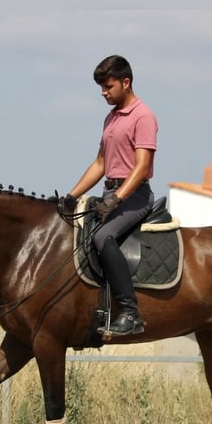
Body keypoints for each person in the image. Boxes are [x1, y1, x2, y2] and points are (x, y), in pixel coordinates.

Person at [61, 55, 157, 336]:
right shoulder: (110, 118)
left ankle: (130, 312)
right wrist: (70, 196)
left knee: (103, 237)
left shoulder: (144, 116)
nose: (104, 93)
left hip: (135, 196)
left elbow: (141, 167)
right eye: (101, 88)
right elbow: (100, 164)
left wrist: (117, 199)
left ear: (126, 82)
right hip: (109, 191)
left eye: (108, 87)